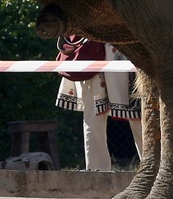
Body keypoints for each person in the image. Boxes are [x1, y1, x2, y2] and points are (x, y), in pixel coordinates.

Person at [55, 35, 143, 171]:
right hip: (93, 53)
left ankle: (153, 167)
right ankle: (97, 172)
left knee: (138, 115)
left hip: (122, 53)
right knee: (95, 117)